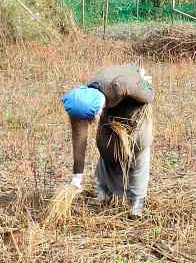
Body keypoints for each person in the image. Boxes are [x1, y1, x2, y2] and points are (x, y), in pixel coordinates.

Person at [61, 64, 155, 217]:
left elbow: (150, 94)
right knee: (105, 146)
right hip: (111, 112)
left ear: (98, 110)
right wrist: (77, 177)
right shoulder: (81, 101)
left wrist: (142, 84)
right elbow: (79, 139)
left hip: (136, 108)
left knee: (138, 149)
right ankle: (104, 192)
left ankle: (137, 201)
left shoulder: (121, 85)